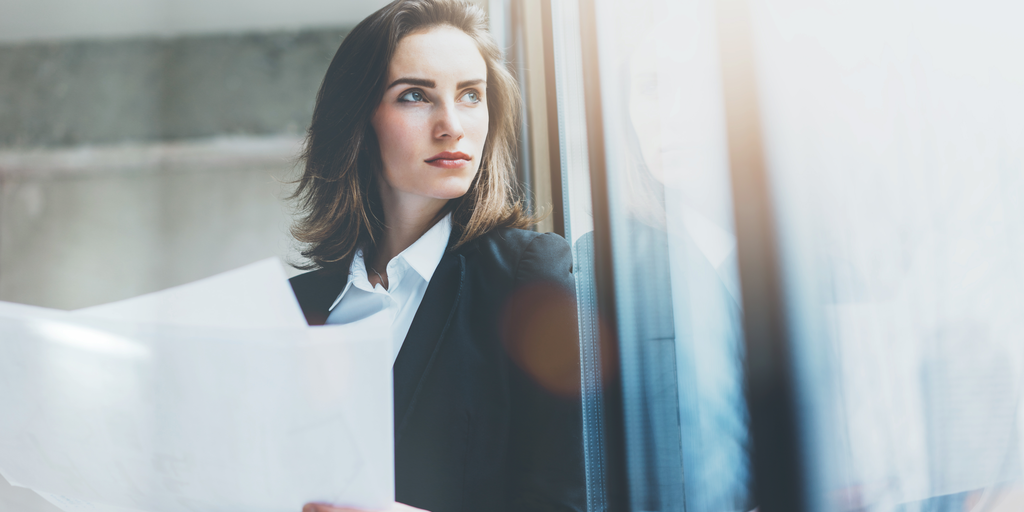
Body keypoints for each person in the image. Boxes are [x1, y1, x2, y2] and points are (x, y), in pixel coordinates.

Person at [287, 1, 585, 511]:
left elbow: (571, 498)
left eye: (471, 95)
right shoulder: (293, 307)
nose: (451, 125)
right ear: (359, 119)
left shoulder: (530, 277)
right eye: (415, 97)